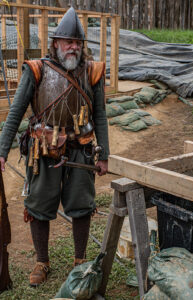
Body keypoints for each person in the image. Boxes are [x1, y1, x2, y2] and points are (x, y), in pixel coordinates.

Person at [0, 7, 109, 286]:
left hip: (81, 149)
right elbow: (15, 113)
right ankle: (42, 262)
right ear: (56, 43)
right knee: (38, 205)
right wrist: (2, 151)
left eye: (78, 42)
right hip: (43, 150)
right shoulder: (36, 70)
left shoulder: (93, 72)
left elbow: (99, 116)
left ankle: (80, 260)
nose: (73, 47)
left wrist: (103, 154)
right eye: (68, 41)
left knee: (82, 205)